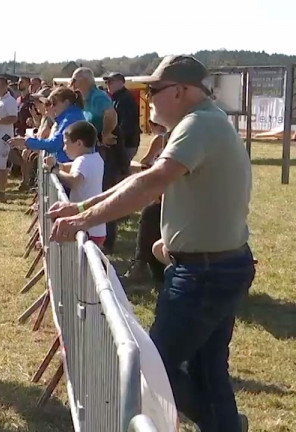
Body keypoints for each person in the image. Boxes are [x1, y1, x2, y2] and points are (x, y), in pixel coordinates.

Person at [47, 55, 253, 432]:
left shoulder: (199, 124)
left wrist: (84, 219)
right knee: (208, 370)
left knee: (154, 367)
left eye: (154, 91)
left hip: (206, 272)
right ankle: (225, 424)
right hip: (215, 266)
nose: (148, 100)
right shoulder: (203, 122)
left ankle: (223, 424)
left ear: (180, 91)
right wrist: (81, 206)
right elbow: (140, 179)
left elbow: (150, 184)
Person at [71, 67, 121, 254]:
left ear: (85, 80)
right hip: (94, 148)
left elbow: (111, 114)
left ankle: (107, 240)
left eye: (75, 80)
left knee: (105, 191)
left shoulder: (97, 96)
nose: (73, 84)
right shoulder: (86, 98)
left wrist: (106, 133)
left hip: (104, 149)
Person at [122, 120, 171, 287]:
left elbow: (145, 161)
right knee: (151, 212)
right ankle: (143, 264)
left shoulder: (161, 139)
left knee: (150, 213)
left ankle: (140, 264)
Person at [42, 121, 106, 246]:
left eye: (66, 144)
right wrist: (56, 165)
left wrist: (54, 170)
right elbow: (68, 167)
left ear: (78, 143)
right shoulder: (96, 158)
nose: (64, 148)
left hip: (87, 228)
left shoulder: (82, 161)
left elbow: (75, 182)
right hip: (97, 227)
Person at [7, 87, 87, 164]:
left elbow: (54, 144)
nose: (51, 107)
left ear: (66, 102)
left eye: (54, 103)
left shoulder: (71, 118)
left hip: (69, 165)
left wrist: (26, 141)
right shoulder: (70, 116)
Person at [105, 72, 142, 163]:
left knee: (120, 172)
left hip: (126, 144)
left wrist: (114, 140)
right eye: (107, 82)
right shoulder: (117, 98)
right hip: (124, 143)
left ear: (120, 82)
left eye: (110, 82)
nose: (107, 85)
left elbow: (126, 125)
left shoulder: (125, 99)